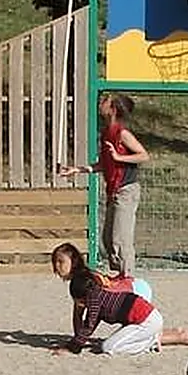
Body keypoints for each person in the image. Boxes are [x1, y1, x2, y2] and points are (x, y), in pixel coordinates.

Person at [50, 241, 188, 356]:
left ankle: (158, 340)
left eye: (61, 261)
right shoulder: (84, 280)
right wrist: (77, 341)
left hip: (140, 303)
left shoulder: (84, 283)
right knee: (114, 342)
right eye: (54, 262)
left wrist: (74, 347)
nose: (57, 266)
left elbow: (88, 320)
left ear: (73, 261)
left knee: (109, 347)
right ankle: (170, 334)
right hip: (135, 308)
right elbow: (90, 318)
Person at [58, 92, 146, 276]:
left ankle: (128, 278)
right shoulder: (106, 132)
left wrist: (119, 157)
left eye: (105, 101)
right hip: (113, 190)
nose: (101, 103)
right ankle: (120, 275)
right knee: (107, 239)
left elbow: (143, 155)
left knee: (120, 240)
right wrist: (78, 170)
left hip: (126, 190)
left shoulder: (122, 133)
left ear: (113, 109)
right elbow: (104, 164)